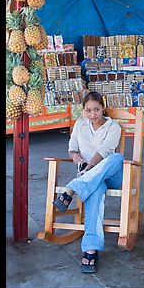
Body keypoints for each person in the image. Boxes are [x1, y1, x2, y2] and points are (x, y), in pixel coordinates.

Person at [53, 91, 123, 273]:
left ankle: (71, 190)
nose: (93, 114)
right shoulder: (80, 125)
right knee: (96, 188)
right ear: (83, 111)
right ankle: (90, 249)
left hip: (110, 175)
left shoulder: (113, 127)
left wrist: (90, 166)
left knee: (117, 157)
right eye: (89, 110)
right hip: (90, 180)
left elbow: (106, 150)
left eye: (97, 110)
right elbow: (72, 147)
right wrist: (74, 155)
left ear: (103, 108)